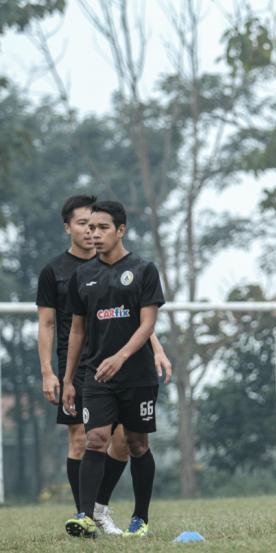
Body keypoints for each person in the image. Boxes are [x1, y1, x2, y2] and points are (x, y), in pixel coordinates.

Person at [37, 195, 171, 535]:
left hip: (137, 375)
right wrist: (68, 379)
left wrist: (122, 356)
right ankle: (86, 514)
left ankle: (140, 518)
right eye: (90, 227)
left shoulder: (143, 270)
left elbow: (147, 325)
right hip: (96, 375)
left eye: (102, 228)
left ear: (121, 230)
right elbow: (78, 329)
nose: (94, 233)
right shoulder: (83, 275)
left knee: (137, 444)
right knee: (94, 439)